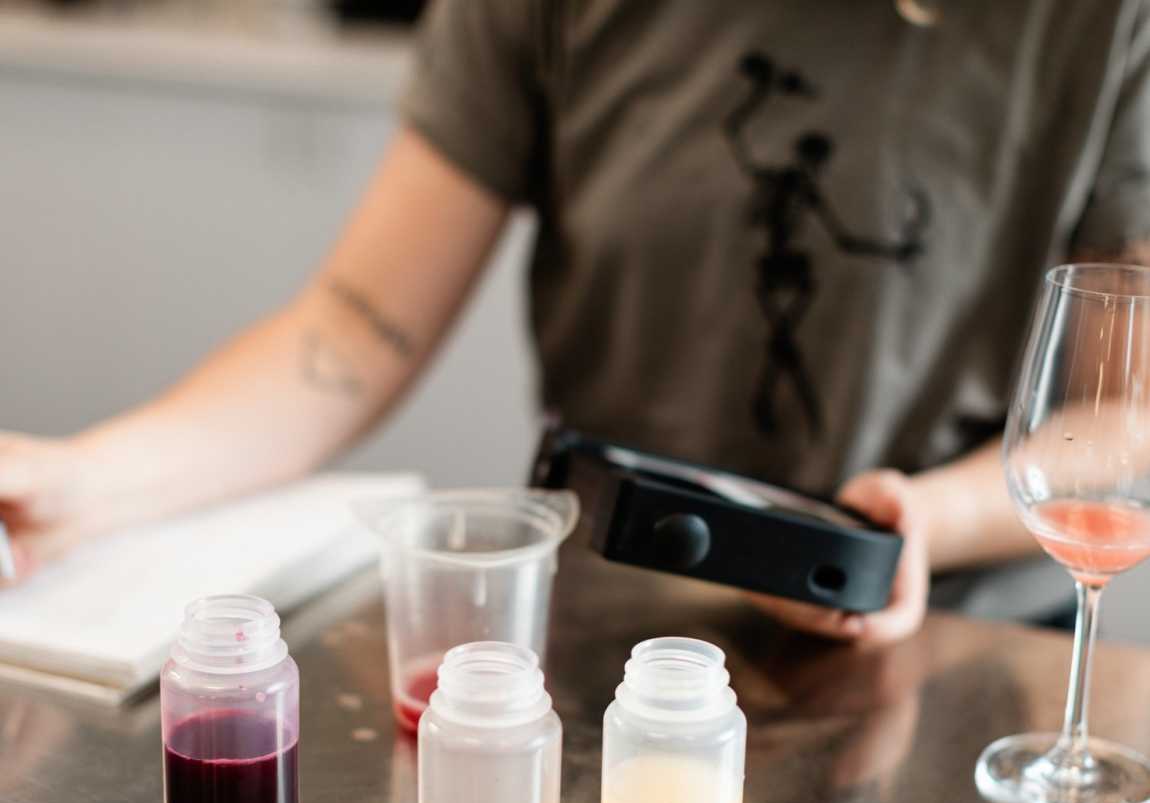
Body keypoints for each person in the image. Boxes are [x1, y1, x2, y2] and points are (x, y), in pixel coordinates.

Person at [2, 0, 1149, 646]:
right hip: (602, 607)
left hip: (966, 648)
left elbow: (1122, 420)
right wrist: (79, 487)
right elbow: (352, 334)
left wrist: (916, 524)